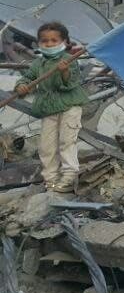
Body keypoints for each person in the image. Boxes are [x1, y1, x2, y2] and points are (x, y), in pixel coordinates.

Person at [14, 22, 89, 194]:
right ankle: (51, 179)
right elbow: (26, 78)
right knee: (46, 146)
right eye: (44, 41)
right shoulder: (38, 64)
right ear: (39, 43)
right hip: (48, 109)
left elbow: (71, 83)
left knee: (66, 142)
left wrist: (64, 72)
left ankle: (69, 176)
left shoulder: (68, 60)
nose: (49, 44)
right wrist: (22, 86)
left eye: (54, 41)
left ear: (64, 41)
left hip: (69, 106)